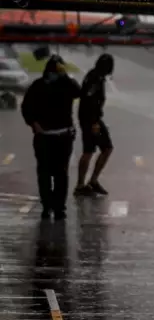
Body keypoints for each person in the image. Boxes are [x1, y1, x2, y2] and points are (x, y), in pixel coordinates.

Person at [20, 55, 82, 220]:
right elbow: (26, 107)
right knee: (45, 173)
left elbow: (78, 92)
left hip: (63, 136)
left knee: (61, 173)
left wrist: (66, 76)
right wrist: (33, 124)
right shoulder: (38, 85)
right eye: (53, 70)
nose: (55, 73)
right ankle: (47, 206)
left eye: (58, 70)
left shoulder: (66, 85)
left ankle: (59, 207)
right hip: (44, 137)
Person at [76, 53, 115, 197]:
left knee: (97, 149)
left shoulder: (95, 76)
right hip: (90, 119)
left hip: (91, 118)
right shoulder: (95, 79)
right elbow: (89, 100)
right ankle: (84, 183)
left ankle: (89, 182)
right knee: (96, 149)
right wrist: (94, 122)